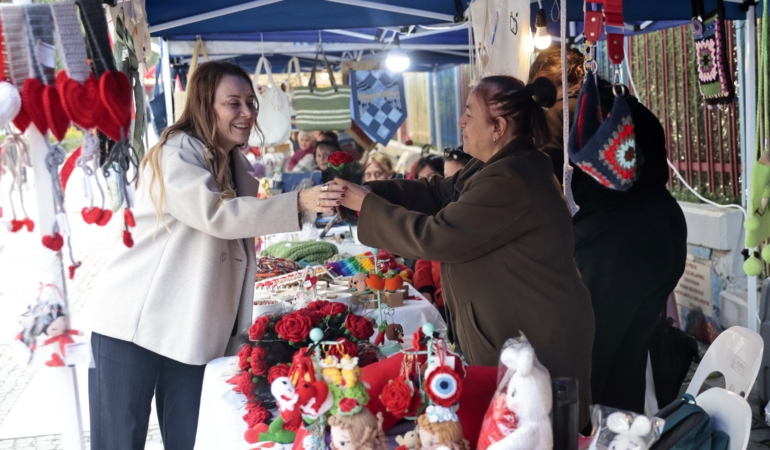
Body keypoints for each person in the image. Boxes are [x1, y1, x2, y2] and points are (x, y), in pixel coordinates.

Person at [87, 61, 344, 450]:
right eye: (233, 103)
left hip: (192, 326)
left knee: (193, 438)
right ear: (206, 106)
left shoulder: (230, 160)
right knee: (119, 441)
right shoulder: (175, 153)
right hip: (134, 323)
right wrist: (298, 204)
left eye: (250, 103)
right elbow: (217, 216)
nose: (247, 113)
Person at [335, 76, 595, 427]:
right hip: (517, 327)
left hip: (536, 332)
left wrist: (367, 206)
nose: (460, 123)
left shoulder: (512, 178)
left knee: (532, 429)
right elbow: (437, 194)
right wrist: (365, 194)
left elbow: (438, 237)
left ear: (498, 127)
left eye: (469, 114)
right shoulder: (494, 165)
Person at [530, 48, 687, 414]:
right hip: (662, 237)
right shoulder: (625, 103)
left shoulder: (573, 112)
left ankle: (594, 435)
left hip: (615, 252)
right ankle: (621, 433)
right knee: (628, 358)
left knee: (593, 364)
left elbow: (552, 168)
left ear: (554, 84)